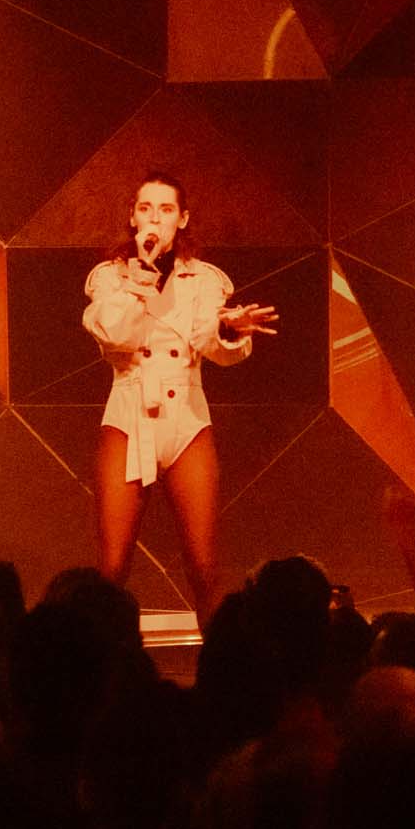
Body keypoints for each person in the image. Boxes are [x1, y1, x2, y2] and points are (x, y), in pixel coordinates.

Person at [84, 172, 277, 621]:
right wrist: (140, 277)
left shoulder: (204, 280)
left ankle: (221, 658)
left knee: (205, 568)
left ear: (183, 219)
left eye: (166, 209)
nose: (155, 218)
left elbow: (210, 341)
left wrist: (228, 328)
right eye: (146, 208)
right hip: (129, 414)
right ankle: (100, 657)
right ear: (133, 218)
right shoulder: (110, 278)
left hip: (186, 419)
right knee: (112, 567)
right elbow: (113, 334)